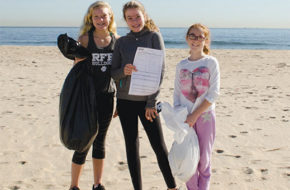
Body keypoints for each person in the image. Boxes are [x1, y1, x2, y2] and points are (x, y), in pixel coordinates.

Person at [110, 1, 177, 190]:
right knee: (132, 149)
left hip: (148, 104)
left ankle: (172, 187)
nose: (134, 21)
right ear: (125, 20)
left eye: (137, 16)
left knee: (159, 148)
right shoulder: (121, 42)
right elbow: (113, 74)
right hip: (125, 103)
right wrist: (124, 70)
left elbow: (160, 71)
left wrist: (151, 101)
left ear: (144, 16)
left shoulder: (154, 37)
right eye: (130, 18)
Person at [69, 1, 118, 190]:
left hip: (107, 97)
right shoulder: (84, 40)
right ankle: (74, 186)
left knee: (100, 142)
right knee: (83, 143)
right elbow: (76, 72)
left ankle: (98, 184)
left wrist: (120, 101)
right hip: (86, 100)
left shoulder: (117, 40)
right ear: (91, 18)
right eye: (96, 16)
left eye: (104, 15)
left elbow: (119, 75)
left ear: (110, 17)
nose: (100, 19)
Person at [173, 23, 220, 190]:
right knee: (189, 158)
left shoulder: (211, 63)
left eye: (200, 37)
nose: (196, 40)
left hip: (206, 117)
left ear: (206, 41)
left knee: (204, 160)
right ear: (187, 38)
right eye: (192, 36)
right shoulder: (181, 66)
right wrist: (180, 116)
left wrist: (195, 115)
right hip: (185, 119)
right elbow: (177, 95)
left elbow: (213, 94)